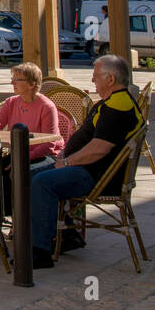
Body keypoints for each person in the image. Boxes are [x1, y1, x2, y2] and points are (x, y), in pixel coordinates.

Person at [30, 55, 145, 269]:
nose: (93, 81)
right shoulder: (115, 101)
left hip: (96, 176)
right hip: (90, 169)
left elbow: (99, 148)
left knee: (41, 182)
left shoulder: (117, 107)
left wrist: (67, 161)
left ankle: (40, 250)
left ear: (110, 79)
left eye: (96, 76)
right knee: (28, 173)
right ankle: (64, 234)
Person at [0, 62, 63, 215]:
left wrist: (22, 159)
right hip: (20, 153)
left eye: (17, 79)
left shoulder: (47, 106)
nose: (12, 82)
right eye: (13, 79)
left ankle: (23, 220)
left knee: (20, 172)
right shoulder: (11, 102)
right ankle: (5, 215)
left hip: (46, 155)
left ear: (32, 84)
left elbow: (48, 144)